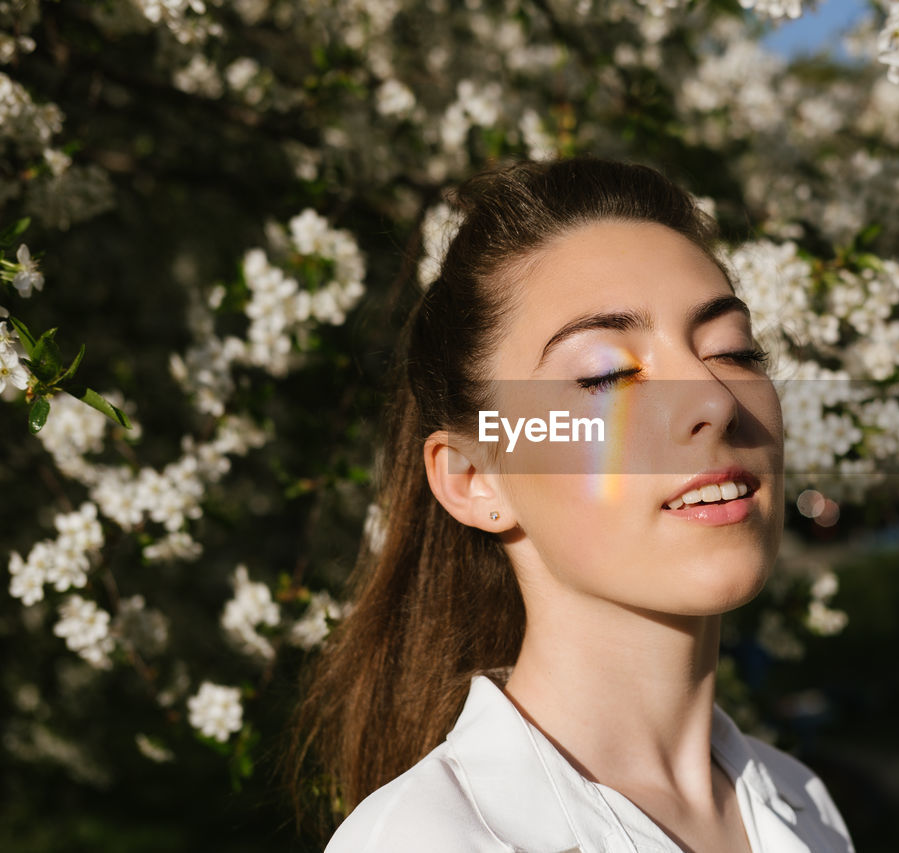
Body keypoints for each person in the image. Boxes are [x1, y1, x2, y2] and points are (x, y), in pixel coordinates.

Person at [291, 157, 855, 852]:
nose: (711, 399)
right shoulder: (430, 839)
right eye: (607, 373)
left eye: (732, 351)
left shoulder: (803, 805)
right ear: (475, 478)